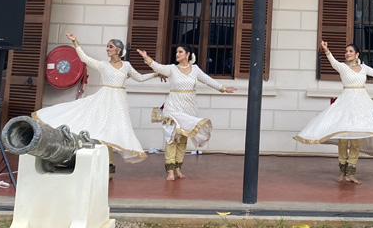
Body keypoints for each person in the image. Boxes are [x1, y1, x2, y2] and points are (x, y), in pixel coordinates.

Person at [35, 33, 157, 173]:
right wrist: (75, 42)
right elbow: (85, 58)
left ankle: (109, 167)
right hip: (104, 99)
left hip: (119, 102)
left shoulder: (126, 66)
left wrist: (156, 74)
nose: (107, 49)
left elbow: (140, 78)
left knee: (116, 129)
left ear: (118, 50)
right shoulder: (103, 65)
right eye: (107, 46)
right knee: (102, 129)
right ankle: (107, 166)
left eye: (110, 47)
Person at [294, 40, 373, 184]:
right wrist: (326, 50)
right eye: (346, 51)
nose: (347, 53)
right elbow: (333, 62)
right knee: (343, 139)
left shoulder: (364, 68)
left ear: (357, 54)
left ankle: (351, 173)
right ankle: (342, 171)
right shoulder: (342, 67)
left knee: (356, 141)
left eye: (350, 51)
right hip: (345, 104)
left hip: (361, 105)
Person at [137, 45, 235, 181]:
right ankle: (170, 170)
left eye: (180, 52)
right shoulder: (172, 69)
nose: (177, 54)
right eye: (176, 52)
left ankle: (178, 168)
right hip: (173, 107)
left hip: (189, 108)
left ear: (188, 54)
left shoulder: (195, 70)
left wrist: (223, 89)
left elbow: (208, 80)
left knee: (183, 139)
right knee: (171, 138)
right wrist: (146, 57)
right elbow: (157, 67)